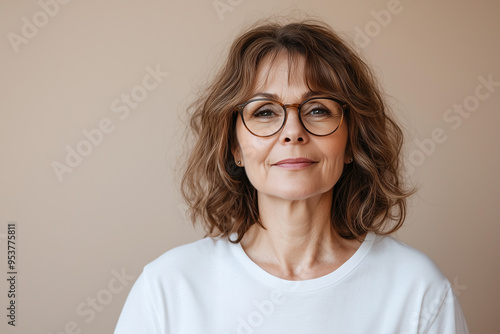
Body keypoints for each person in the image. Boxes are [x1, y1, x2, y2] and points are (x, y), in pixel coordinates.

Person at [114, 18, 469, 334]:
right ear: (235, 147)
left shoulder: (418, 290)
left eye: (317, 109)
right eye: (265, 111)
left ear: (351, 144)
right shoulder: (167, 287)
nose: (293, 133)